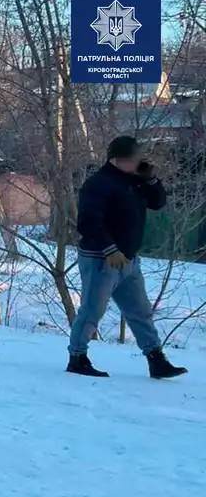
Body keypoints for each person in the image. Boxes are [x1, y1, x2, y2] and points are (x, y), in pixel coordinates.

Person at [66, 136, 187, 379]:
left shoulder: (136, 181)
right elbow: (89, 221)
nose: (137, 162)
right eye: (133, 159)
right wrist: (110, 249)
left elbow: (158, 202)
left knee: (140, 311)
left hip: (129, 260)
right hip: (101, 258)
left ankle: (156, 359)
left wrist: (151, 179)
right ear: (117, 159)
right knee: (92, 310)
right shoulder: (98, 184)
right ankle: (77, 358)